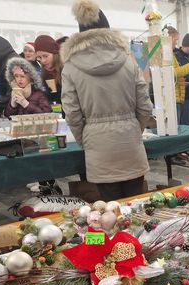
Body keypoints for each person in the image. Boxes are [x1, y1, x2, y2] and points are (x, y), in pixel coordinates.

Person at [62, 0, 153, 201]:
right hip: (130, 142)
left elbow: (72, 114)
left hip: (98, 146)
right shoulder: (128, 62)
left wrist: (85, 139)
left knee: (109, 211)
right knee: (137, 206)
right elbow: (145, 106)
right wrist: (133, 129)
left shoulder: (70, 67)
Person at [166, 26, 189, 124]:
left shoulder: (178, 56)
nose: (176, 43)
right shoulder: (172, 55)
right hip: (178, 97)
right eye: (175, 40)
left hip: (183, 96)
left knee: (186, 126)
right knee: (182, 127)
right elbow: (172, 73)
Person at [34, 35, 63, 105]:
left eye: (45, 56)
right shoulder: (45, 74)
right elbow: (53, 98)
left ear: (54, 54)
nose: (43, 61)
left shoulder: (66, 70)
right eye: (39, 57)